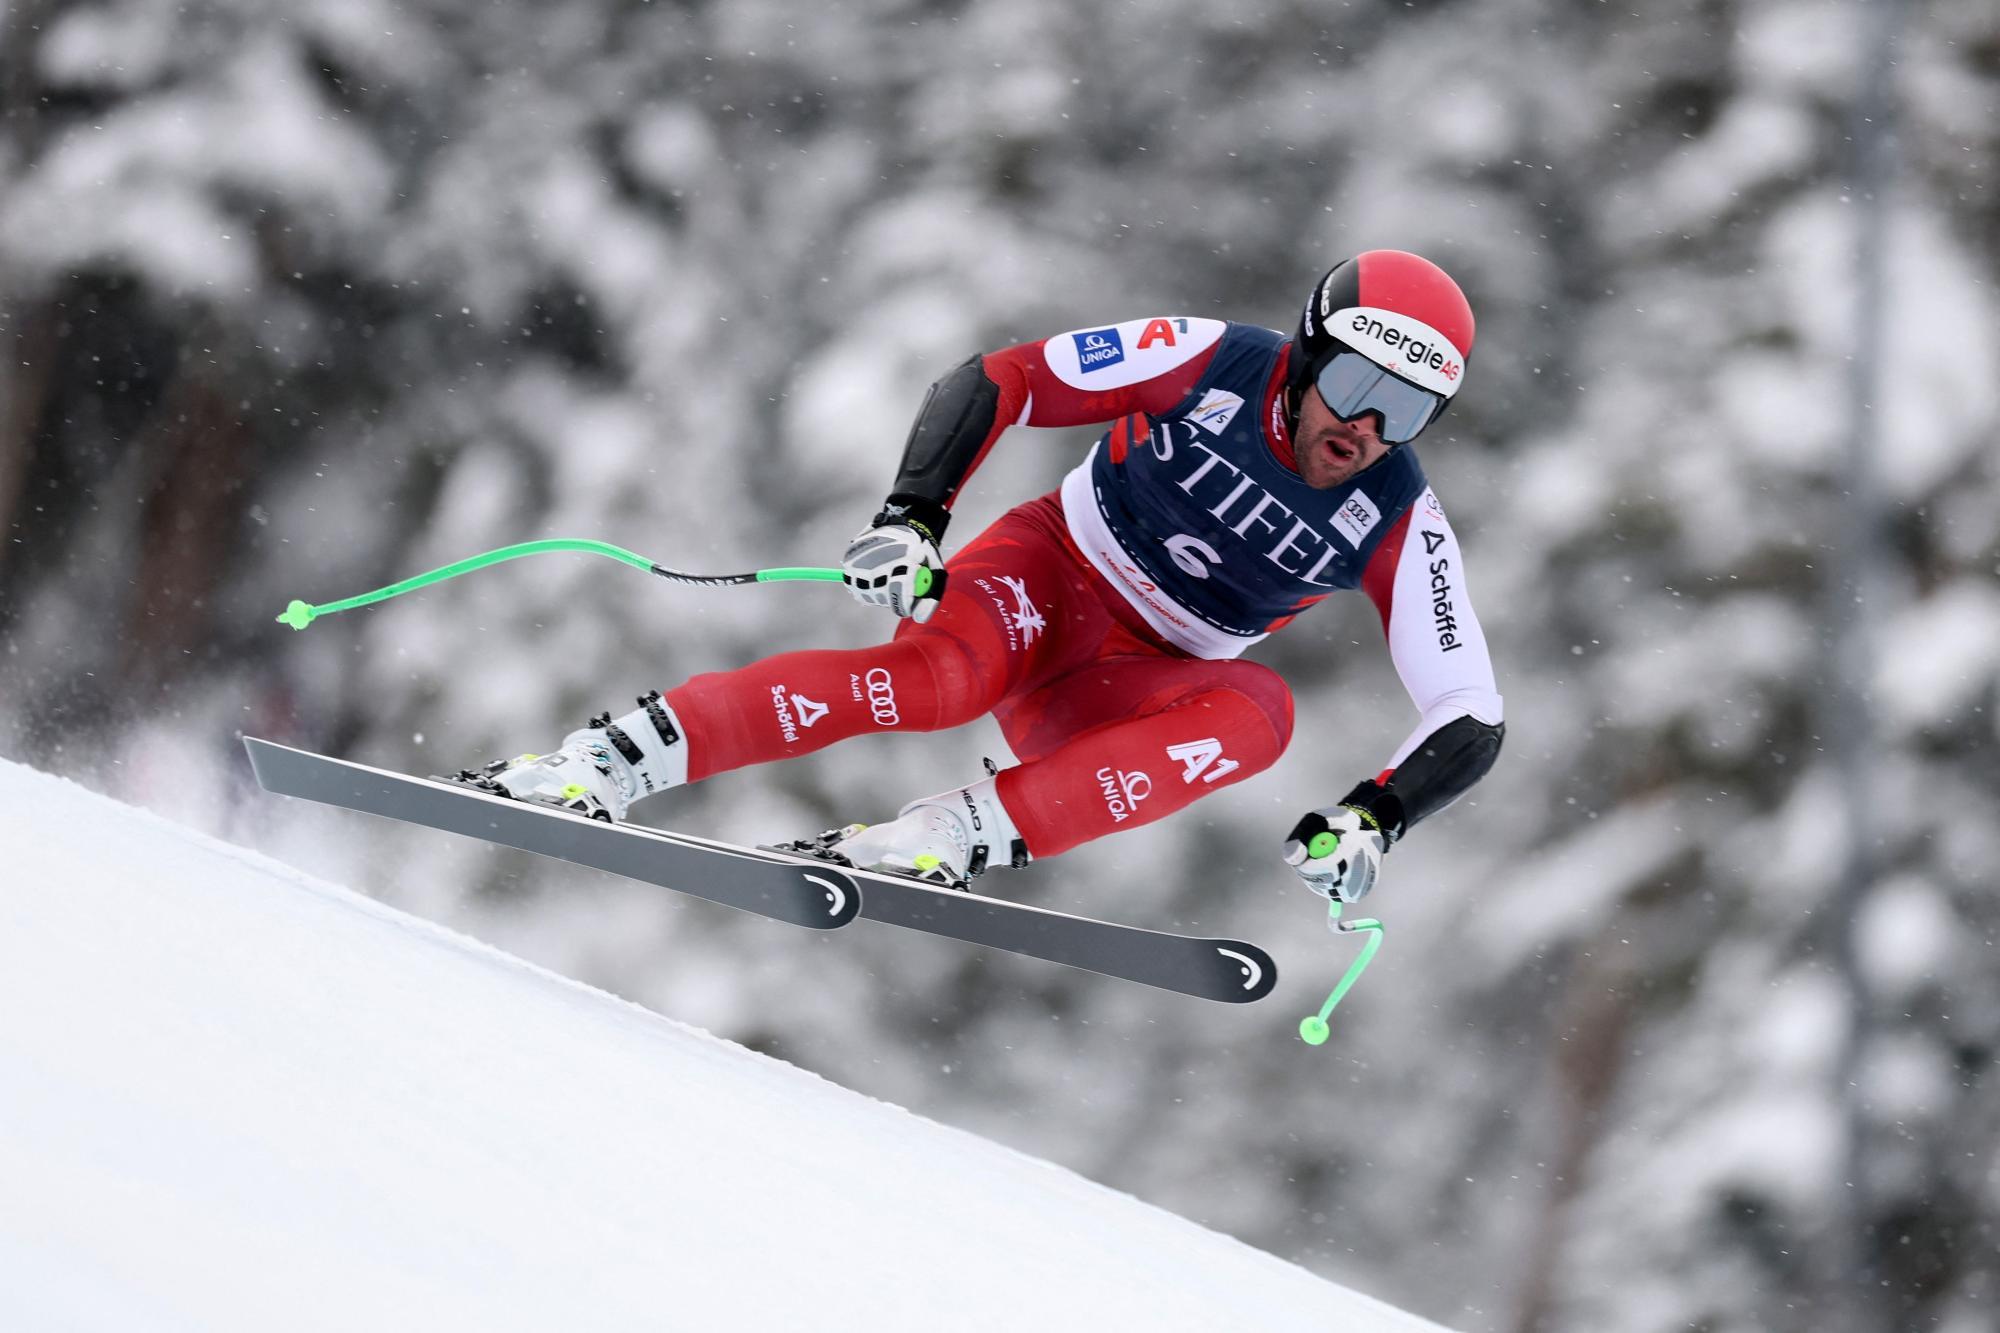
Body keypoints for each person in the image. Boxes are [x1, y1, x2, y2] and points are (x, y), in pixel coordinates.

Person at [474, 250, 1504, 908]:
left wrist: (1378, 812)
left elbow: (1469, 706)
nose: (1364, 427)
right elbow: (1000, 378)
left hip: (1122, 688)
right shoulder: (1212, 361)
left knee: (1261, 714)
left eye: (1404, 410)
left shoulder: (1396, 514)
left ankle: (950, 834)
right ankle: (608, 761)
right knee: (934, 684)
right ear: (1307, 353)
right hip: (1044, 581)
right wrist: (913, 516)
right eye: (1356, 385)